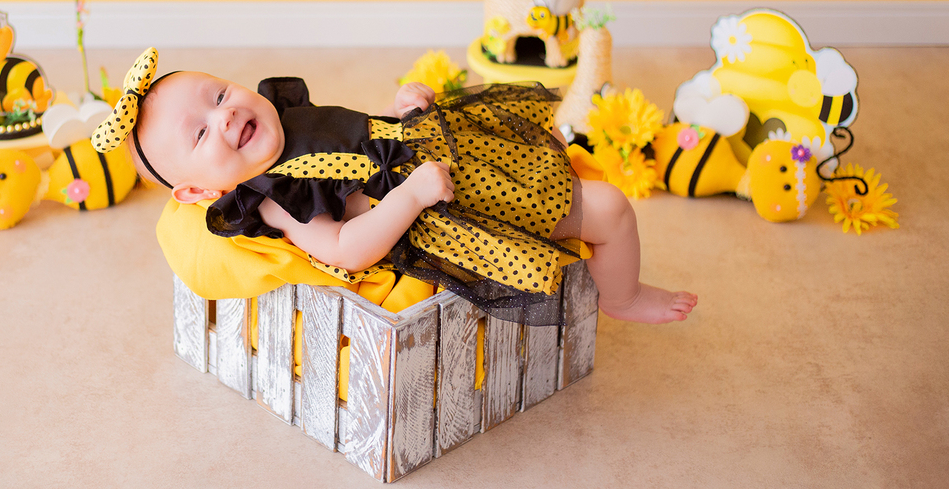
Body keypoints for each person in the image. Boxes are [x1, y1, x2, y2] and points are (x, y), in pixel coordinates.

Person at [92, 48, 696, 325]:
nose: (224, 115)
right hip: (440, 207)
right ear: (195, 193)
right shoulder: (275, 199)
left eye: (219, 94)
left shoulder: (286, 114)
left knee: (551, 150)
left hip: (440, 149)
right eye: (200, 136)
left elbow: (355, 140)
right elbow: (346, 249)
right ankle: (622, 295)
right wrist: (411, 196)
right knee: (609, 209)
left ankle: (595, 243)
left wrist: (394, 112)